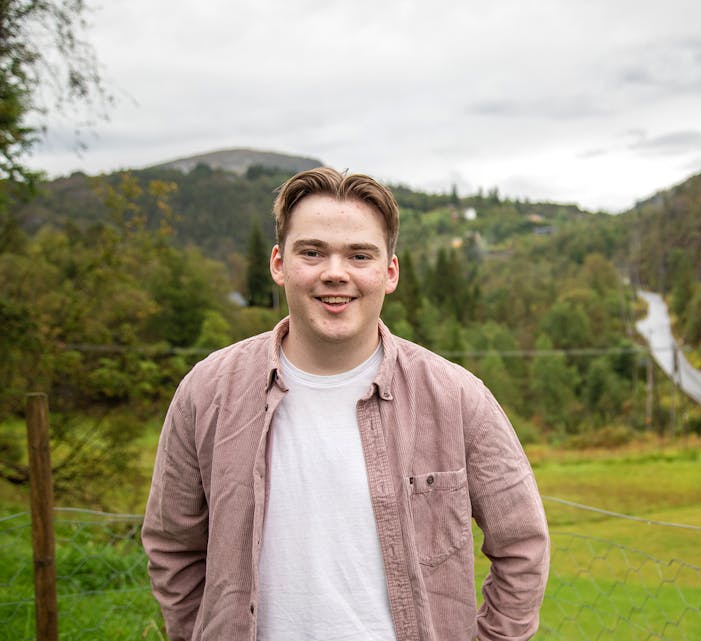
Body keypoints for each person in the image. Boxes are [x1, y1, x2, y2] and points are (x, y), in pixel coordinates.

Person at [141, 166, 550, 641]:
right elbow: (172, 546)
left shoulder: (457, 398)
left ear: (389, 272)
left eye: (359, 255)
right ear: (279, 263)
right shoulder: (207, 392)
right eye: (312, 252)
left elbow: (522, 545)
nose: (335, 273)